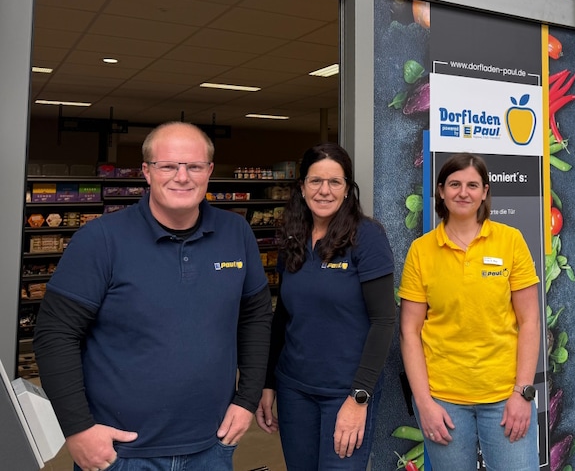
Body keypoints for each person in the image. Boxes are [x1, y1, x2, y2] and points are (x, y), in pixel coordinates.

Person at [33, 121, 272, 471]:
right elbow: (55, 335)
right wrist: (77, 428)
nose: (182, 176)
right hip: (122, 453)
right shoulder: (100, 239)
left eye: (193, 166)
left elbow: (256, 316)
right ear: (146, 171)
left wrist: (247, 399)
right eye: (168, 166)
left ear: (208, 171)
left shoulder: (236, 232)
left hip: (212, 446)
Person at [255, 142, 395, 471]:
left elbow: (384, 321)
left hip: (345, 392)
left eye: (335, 182)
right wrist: (268, 383)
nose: (325, 190)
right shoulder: (293, 239)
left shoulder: (367, 238)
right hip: (294, 389)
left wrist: (359, 397)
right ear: (302, 187)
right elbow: (283, 318)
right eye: (316, 181)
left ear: (347, 190)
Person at [399, 152, 541, 471]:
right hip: (444, 402)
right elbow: (409, 331)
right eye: (454, 184)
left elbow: (530, 321)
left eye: (473, 185)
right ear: (441, 191)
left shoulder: (511, 241)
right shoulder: (421, 251)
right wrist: (424, 404)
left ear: (485, 192)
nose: (463, 192)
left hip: (506, 397)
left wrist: (523, 393)